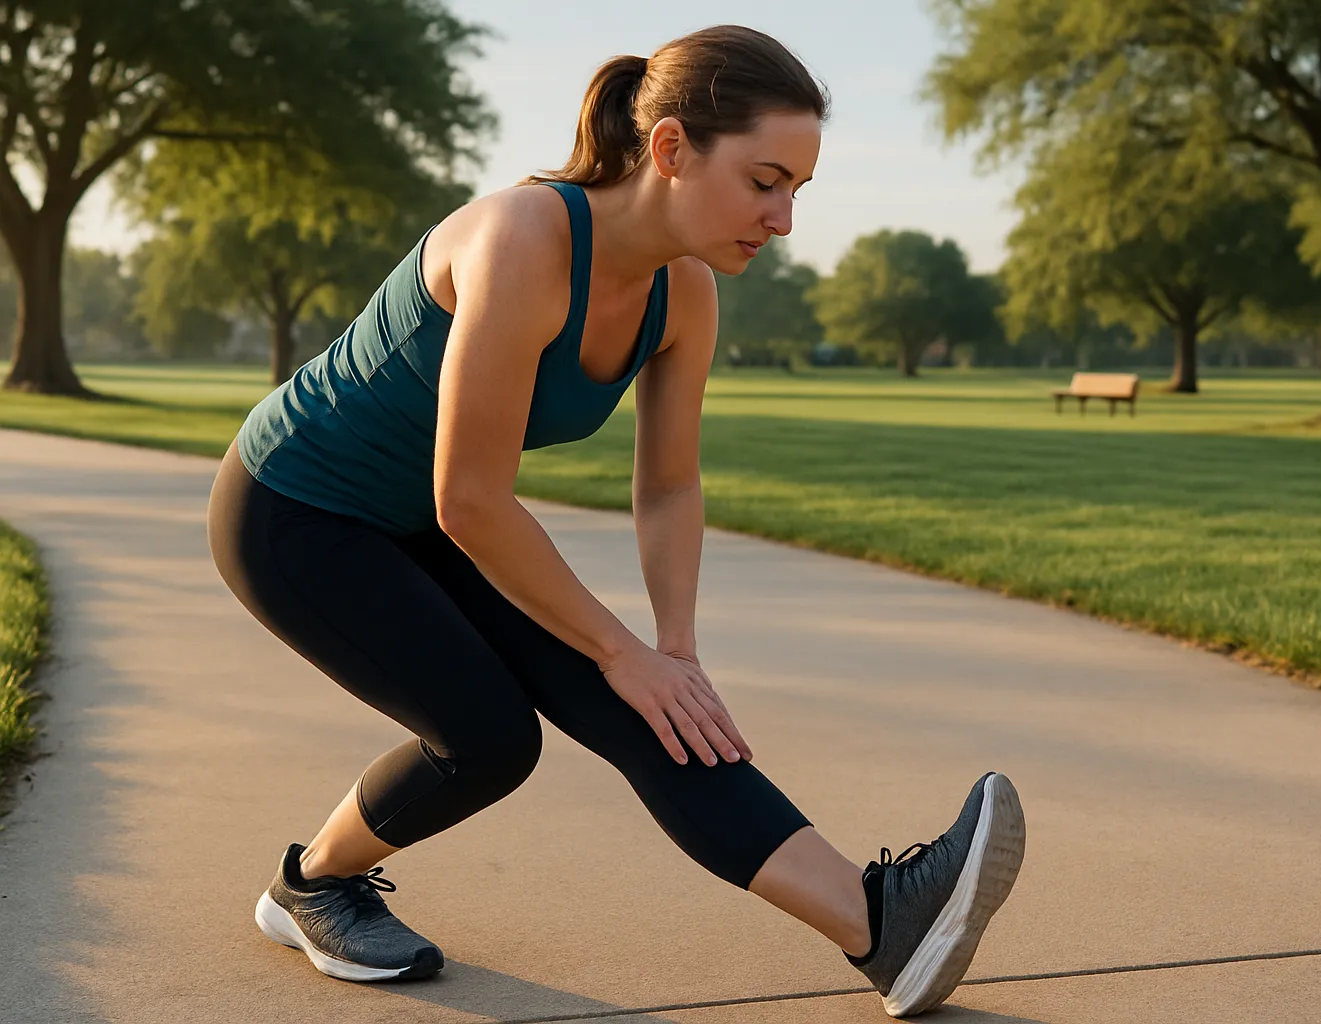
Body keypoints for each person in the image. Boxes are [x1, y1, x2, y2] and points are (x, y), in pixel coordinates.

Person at [205, 24, 1025, 1019]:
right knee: (491, 736)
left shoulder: (686, 292)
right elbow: (472, 497)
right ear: (672, 149)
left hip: (424, 515)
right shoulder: (522, 240)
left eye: (797, 190)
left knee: (653, 707)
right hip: (296, 507)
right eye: (766, 181)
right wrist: (619, 648)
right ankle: (310, 883)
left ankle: (880, 923)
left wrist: (671, 651)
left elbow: (668, 486)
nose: (784, 219)